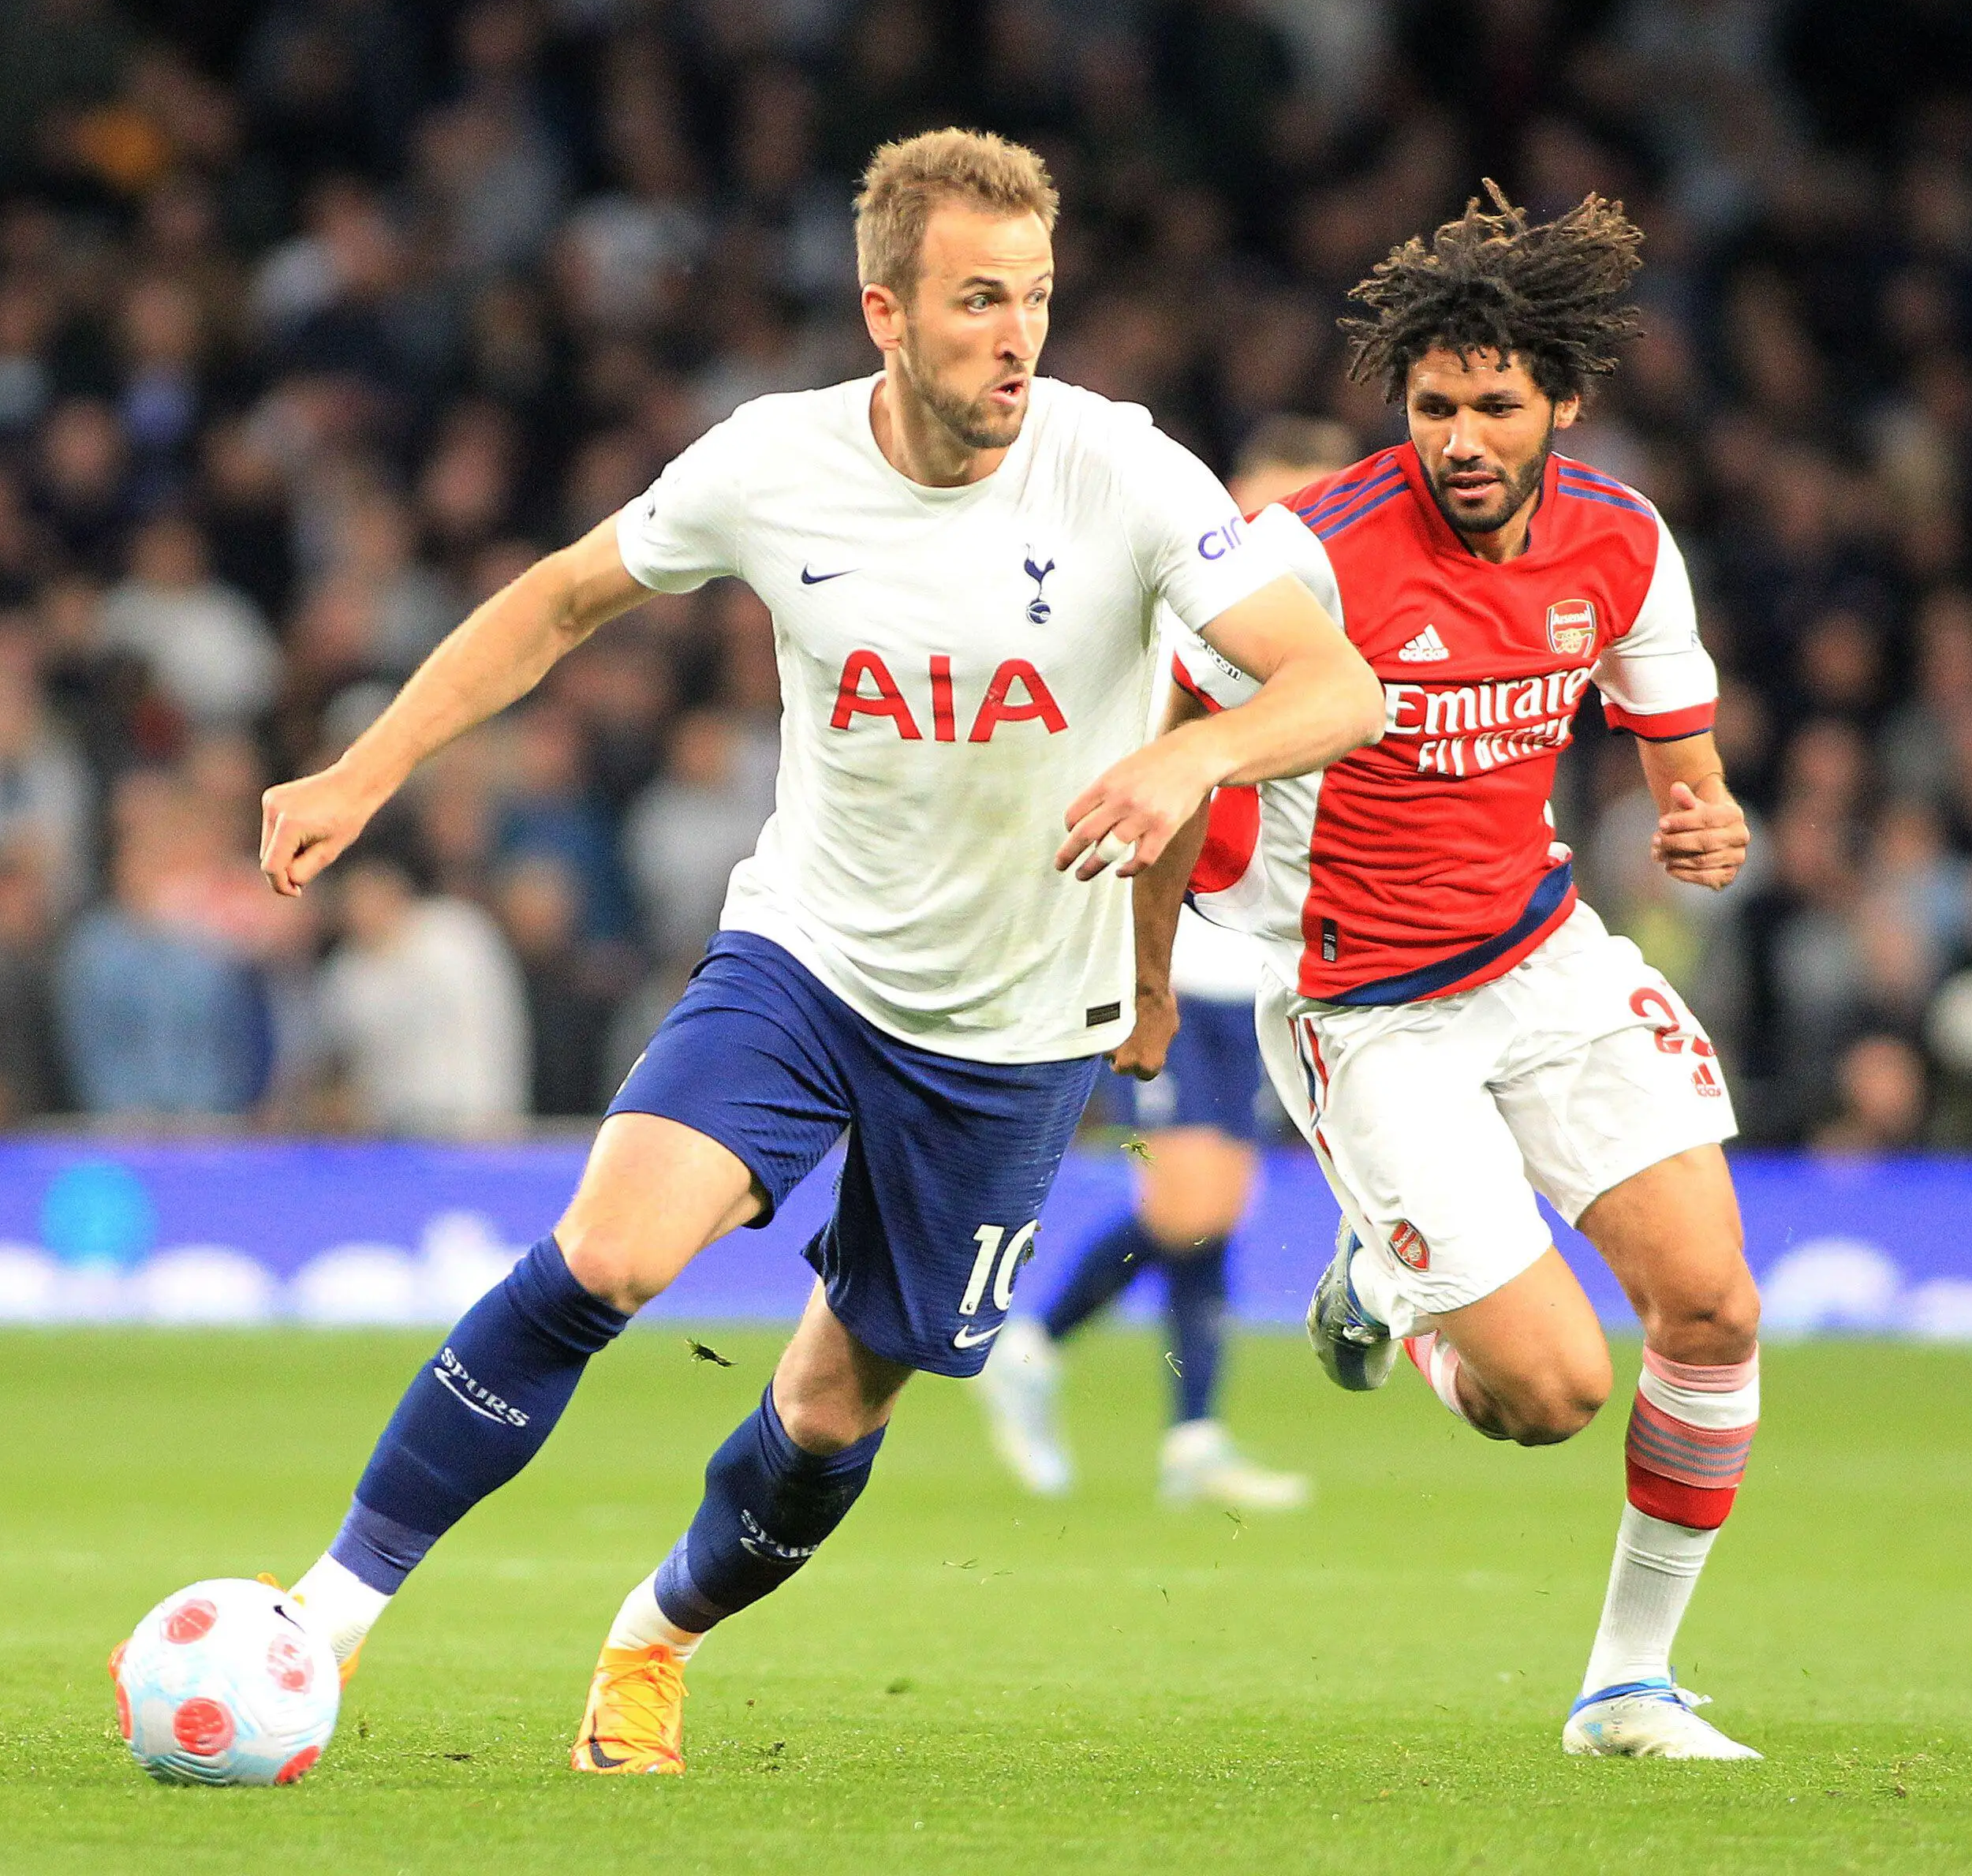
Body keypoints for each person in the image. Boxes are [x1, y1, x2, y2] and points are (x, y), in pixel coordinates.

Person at [238, 131, 1381, 1776]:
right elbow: (558, 602)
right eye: (979, 300)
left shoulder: (1126, 474)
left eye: (1038, 299)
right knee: (609, 1260)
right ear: (884, 314)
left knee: (834, 1408)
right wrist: (365, 770)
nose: (1017, 336)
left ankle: (653, 1639)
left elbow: (1333, 689)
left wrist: (1190, 769)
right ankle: (320, 1627)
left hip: (1012, 1029)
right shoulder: (770, 464)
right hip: (810, 963)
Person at [1148, 189, 1765, 1758]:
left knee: (1710, 1310)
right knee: (1545, 1397)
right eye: (1436, 406)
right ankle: (1396, 1290)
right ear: (1402, 407)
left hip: (1543, 952)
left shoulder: (1622, 542)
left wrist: (1700, 811)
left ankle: (1627, 1684)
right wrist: (1146, 986)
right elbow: (1177, 762)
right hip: (1363, 1009)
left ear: (1560, 401)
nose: (1466, 436)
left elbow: (1677, 751)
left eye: (1498, 403)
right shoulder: (1312, 559)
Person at [977, 417, 1358, 1511]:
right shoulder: (1177, 611)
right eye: (1291, 498)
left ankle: (1194, 1438)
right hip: (1182, 947)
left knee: (1212, 1213)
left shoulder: (1322, 642)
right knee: (1198, 1202)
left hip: (1265, 962)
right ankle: (1034, 1345)